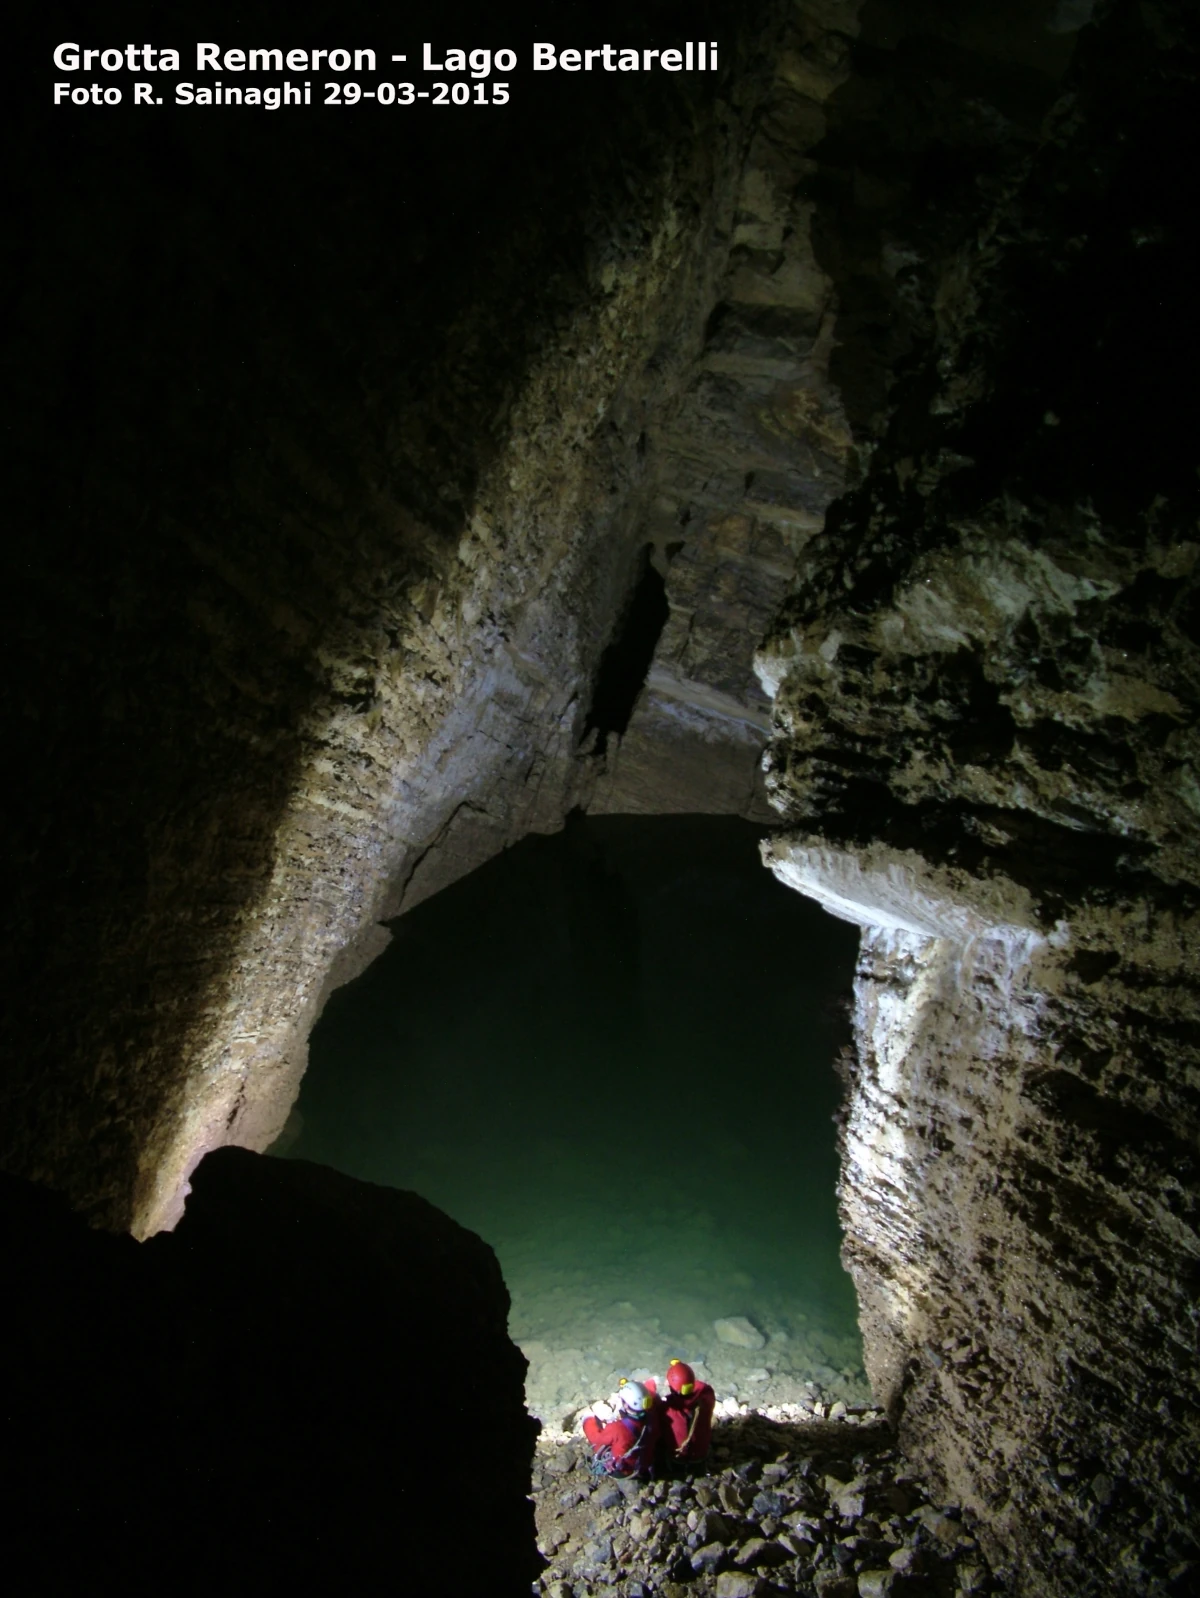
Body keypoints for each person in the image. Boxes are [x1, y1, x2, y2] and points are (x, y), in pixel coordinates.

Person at [581, 1377, 663, 1478]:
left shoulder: (617, 1429)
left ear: (627, 1406)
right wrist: (650, 1384)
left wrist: (588, 1419)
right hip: (644, 1461)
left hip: (624, 1470)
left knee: (598, 1443)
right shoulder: (652, 1416)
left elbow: (597, 1440)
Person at [661, 1358, 716, 1466]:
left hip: (677, 1458)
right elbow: (703, 1387)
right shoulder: (706, 1398)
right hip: (701, 1454)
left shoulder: (668, 1410)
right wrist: (686, 1378)